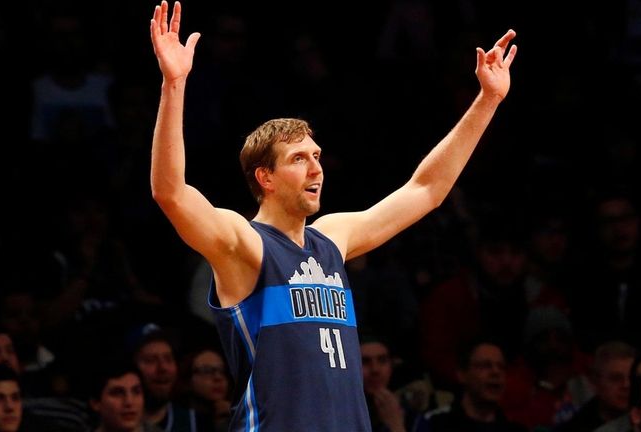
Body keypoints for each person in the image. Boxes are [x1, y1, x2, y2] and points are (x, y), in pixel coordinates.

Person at [148, 1, 516, 430]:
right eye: (299, 158)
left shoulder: (332, 238)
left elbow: (426, 190)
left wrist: (487, 100)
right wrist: (174, 84)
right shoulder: (245, 244)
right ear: (265, 177)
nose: (316, 167)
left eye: (317, 156)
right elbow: (170, 193)